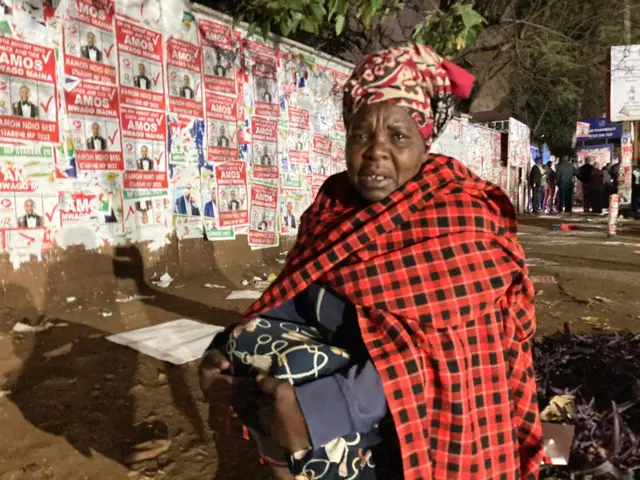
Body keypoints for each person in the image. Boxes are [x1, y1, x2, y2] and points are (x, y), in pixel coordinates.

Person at [200, 44, 543, 480]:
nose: (377, 151)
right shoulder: (334, 207)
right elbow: (298, 299)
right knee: (253, 344)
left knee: (300, 387)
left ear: (424, 144)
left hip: (430, 428)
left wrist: (324, 410)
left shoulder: (461, 221)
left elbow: (451, 352)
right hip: (340, 408)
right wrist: (225, 348)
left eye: (398, 136)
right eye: (362, 135)